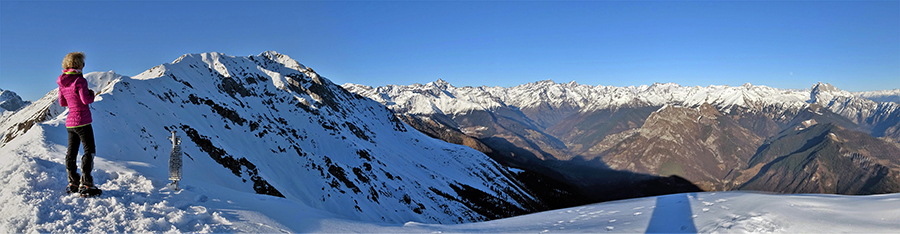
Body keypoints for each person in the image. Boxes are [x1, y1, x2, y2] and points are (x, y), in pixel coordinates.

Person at [57, 52, 102, 197]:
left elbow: (62, 102)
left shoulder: (62, 82)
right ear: (79, 65)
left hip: (70, 123)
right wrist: (91, 93)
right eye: (83, 63)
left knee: (71, 152)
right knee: (89, 151)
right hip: (83, 121)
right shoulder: (80, 81)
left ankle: (73, 182)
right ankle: (87, 184)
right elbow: (86, 100)